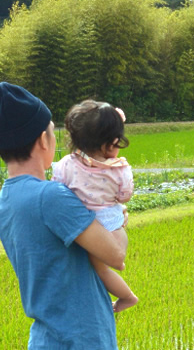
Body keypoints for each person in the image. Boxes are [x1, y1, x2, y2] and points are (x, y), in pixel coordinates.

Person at [0, 82, 125, 349]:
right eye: (52, 133)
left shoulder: (4, 203)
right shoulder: (51, 197)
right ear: (42, 140)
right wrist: (114, 209)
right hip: (81, 338)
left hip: (45, 337)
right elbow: (116, 254)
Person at [52, 99, 138, 313]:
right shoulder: (119, 169)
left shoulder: (66, 164)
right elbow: (125, 196)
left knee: (100, 270)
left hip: (89, 230)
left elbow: (57, 190)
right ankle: (123, 297)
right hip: (113, 227)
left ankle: (125, 296)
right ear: (110, 144)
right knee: (100, 270)